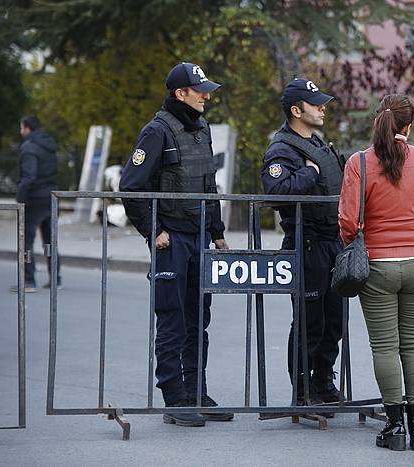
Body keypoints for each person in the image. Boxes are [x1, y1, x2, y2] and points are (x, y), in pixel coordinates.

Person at [339, 94, 414, 451]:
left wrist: (361, 240)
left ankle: (394, 428)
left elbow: (348, 221)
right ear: (409, 125)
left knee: (385, 347)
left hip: (377, 265)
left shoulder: (359, 162)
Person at [120, 62, 232, 427]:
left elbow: (208, 185)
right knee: (173, 321)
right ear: (179, 93)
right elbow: (131, 187)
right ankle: (174, 398)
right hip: (173, 239)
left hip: (199, 235)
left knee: (200, 319)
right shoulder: (157, 132)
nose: (207, 95)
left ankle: (196, 393)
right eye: (200, 90)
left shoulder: (202, 129)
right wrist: (153, 231)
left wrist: (217, 232)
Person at [262, 78, 344, 406]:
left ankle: (323, 381)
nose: (323, 107)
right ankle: (302, 390)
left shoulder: (318, 142)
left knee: (334, 322)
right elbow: (276, 192)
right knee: (310, 323)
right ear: (297, 110)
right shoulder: (282, 148)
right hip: (306, 245)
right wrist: (308, 174)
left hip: (332, 244)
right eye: (315, 103)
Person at [11, 116, 61, 293]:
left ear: (27, 128)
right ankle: (55, 278)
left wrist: (20, 197)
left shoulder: (29, 147)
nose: (20, 131)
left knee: (27, 243)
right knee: (49, 242)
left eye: (21, 128)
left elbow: (29, 176)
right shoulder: (49, 145)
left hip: (34, 199)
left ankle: (29, 281)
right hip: (51, 198)